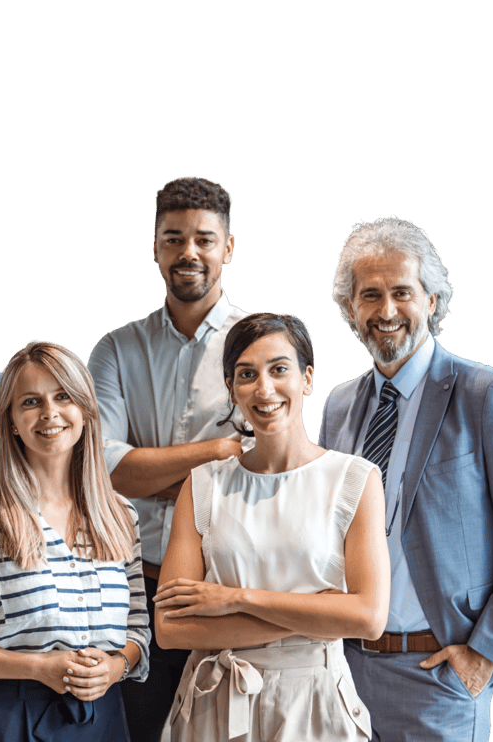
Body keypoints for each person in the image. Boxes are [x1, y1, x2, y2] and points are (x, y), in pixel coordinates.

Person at [319, 216, 493, 741]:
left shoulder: (487, 395)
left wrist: (484, 655)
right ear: (349, 309)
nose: (386, 311)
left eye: (402, 292)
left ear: (432, 300)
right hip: (343, 670)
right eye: (370, 295)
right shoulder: (338, 405)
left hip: (439, 677)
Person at [154, 312, 389, 741]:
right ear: (232, 389)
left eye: (279, 369)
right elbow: (171, 629)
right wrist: (320, 615)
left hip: (313, 701)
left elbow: (369, 618)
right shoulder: (203, 484)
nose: (264, 389)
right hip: (215, 700)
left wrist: (235, 598)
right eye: (247, 375)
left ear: (307, 378)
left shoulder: (355, 480)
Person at [0, 341, 150, 742]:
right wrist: (37, 667)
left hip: (104, 715)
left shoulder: (120, 514)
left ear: (86, 410)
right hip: (7, 715)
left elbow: (138, 629)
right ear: (12, 422)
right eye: (31, 402)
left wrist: (115, 667)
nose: (49, 412)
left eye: (63, 396)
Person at [87, 176, 252, 741]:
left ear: (228, 248)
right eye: (174, 239)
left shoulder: (259, 345)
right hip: (133, 593)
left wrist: (149, 472)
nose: (189, 252)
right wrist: (216, 453)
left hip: (228, 593)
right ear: (155, 248)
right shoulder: (115, 350)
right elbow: (106, 469)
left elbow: (262, 472)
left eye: (204, 239)